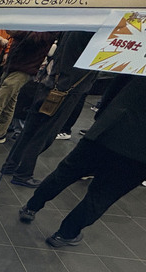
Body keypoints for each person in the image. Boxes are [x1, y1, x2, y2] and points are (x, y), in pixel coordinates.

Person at [18, 75, 146, 247]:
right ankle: (65, 234)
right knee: (102, 195)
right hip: (139, 154)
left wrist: (102, 116)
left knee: (66, 172)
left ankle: (31, 207)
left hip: (109, 127)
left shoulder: (140, 60)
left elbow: (116, 86)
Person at [1, 32, 97, 187]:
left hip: (50, 81)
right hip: (66, 88)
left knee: (31, 129)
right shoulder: (94, 32)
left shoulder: (75, 27)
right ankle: (23, 173)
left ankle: (11, 165)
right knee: (44, 133)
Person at [0, 30, 58, 147]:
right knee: (10, 103)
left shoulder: (47, 32)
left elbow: (30, 38)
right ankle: (0, 134)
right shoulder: (37, 29)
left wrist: (15, 30)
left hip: (23, 70)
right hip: (15, 66)